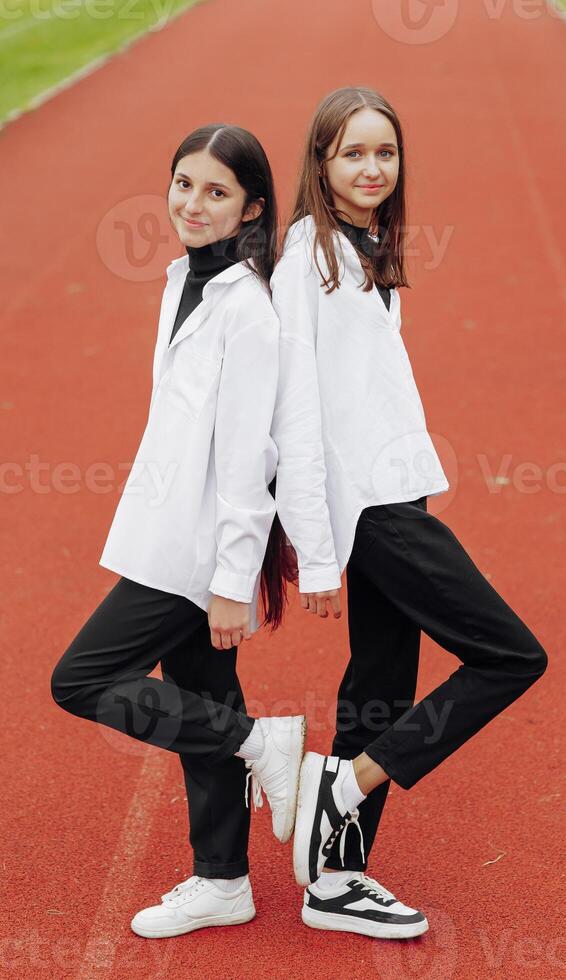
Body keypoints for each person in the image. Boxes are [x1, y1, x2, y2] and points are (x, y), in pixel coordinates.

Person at [270, 87, 549, 940]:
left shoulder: (363, 249)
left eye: (384, 153)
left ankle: (337, 878)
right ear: (320, 162)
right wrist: (317, 552)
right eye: (353, 153)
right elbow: (295, 416)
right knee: (511, 655)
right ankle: (346, 783)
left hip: (395, 490)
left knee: (382, 680)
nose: (371, 168)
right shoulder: (307, 260)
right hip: (373, 509)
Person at [50, 124, 306, 939]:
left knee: (81, 680)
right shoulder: (184, 280)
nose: (192, 204)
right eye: (183, 184)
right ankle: (224, 879)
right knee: (200, 696)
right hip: (166, 532)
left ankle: (263, 741)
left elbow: (246, 459)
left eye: (216, 192)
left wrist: (231, 582)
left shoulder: (250, 315)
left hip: (193, 555)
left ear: (252, 208)